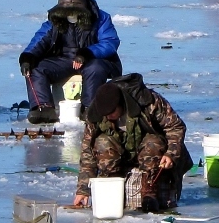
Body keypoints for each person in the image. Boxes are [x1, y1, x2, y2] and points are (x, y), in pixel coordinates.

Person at [74, 75, 192, 212]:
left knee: (153, 143)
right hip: (119, 154)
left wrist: (171, 153)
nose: (108, 117)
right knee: (102, 143)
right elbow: (87, 152)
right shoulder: (96, 113)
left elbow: (175, 126)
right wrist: (83, 190)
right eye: (105, 114)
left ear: (121, 104)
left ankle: (149, 191)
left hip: (150, 154)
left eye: (111, 112)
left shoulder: (148, 101)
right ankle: (113, 184)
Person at [19, 0, 123, 122]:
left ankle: (90, 108)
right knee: (36, 68)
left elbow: (110, 42)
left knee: (95, 69)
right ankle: (43, 108)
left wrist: (87, 53)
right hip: (64, 59)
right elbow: (40, 40)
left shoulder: (100, 18)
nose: (71, 15)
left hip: (94, 59)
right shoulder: (55, 20)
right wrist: (28, 57)